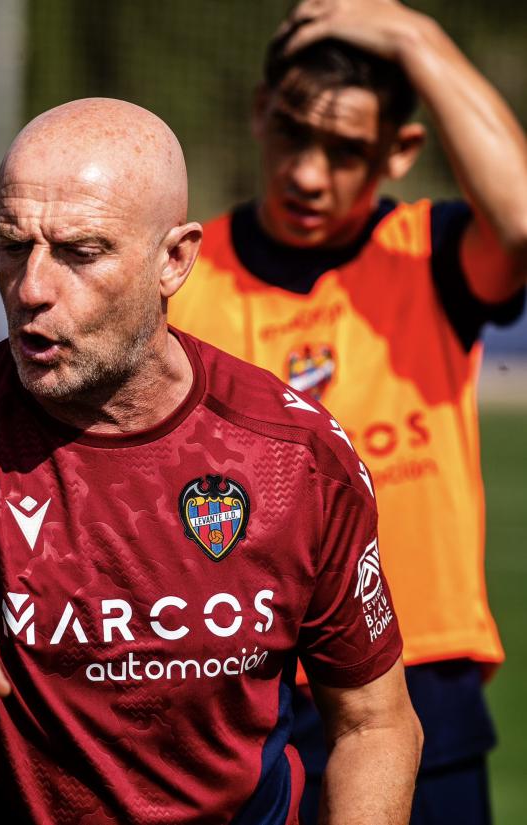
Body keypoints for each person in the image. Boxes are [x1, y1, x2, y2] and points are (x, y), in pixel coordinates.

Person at [0, 98, 421, 824]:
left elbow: (374, 722)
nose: (32, 287)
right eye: (13, 244)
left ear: (175, 259)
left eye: (80, 252)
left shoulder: (300, 457)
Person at [168, 2, 527, 823]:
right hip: (243, 680)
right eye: (293, 132)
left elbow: (522, 220)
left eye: (346, 151)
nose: (306, 173)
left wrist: (414, 35)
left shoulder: (426, 254)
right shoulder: (186, 277)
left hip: (422, 675)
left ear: (401, 152)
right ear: (260, 113)